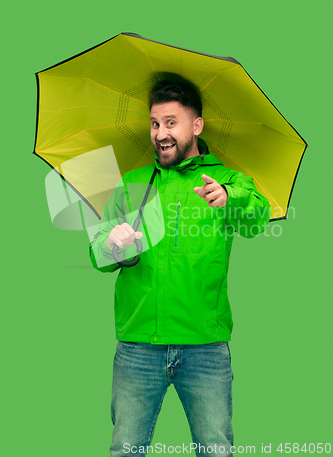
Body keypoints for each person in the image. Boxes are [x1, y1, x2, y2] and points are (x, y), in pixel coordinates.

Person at [89, 80, 271, 457]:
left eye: (171, 123)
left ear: (197, 126)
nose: (160, 134)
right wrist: (111, 244)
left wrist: (229, 198)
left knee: (215, 450)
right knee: (125, 450)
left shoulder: (224, 181)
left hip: (205, 346)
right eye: (155, 124)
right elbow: (97, 253)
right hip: (138, 346)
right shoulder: (132, 183)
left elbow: (257, 218)